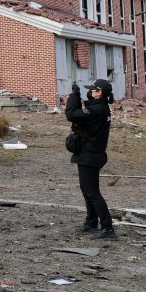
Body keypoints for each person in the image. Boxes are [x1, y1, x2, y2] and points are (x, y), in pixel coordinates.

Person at [65, 78, 116, 239]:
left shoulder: (97, 110)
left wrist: (74, 96)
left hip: (90, 155)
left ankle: (107, 228)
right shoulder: (101, 107)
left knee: (92, 192)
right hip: (91, 154)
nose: (90, 92)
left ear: (99, 93)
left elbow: (71, 114)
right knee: (87, 190)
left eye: (93, 90)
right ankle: (91, 222)